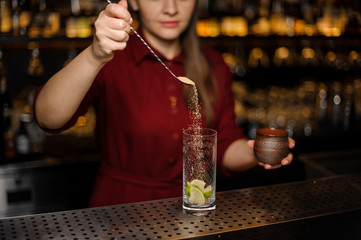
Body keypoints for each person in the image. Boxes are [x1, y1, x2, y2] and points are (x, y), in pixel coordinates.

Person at [34, 0, 295, 207]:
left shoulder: (214, 64)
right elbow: (48, 118)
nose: (171, 8)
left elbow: (223, 146)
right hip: (120, 211)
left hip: (194, 208)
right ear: (133, 2)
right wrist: (94, 55)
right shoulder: (110, 59)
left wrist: (256, 152)